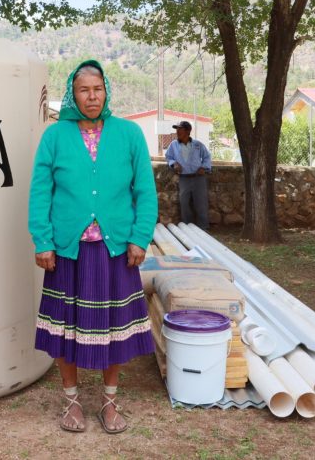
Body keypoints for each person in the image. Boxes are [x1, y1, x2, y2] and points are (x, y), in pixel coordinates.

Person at [29, 60, 157, 434]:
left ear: (106, 91)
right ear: (73, 93)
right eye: (84, 90)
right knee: (65, 329)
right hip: (68, 250)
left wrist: (139, 236)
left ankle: (110, 402)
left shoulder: (129, 134)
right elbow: (41, 192)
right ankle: (71, 402)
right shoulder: (55, 136)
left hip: (114, 249)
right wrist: (43, 240)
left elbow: (145, 192)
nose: (92, 96)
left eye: (97, 88)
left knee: (113, 328)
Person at [164, 120, 212, 229]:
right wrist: (174, 163)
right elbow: (168, 157)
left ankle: (203, 228)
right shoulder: (173, 145)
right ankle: (187, 228)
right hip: (184, 178)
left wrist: (204, 167)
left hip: (198, 178)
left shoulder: (198, 145)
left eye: (180, 129)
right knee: (184, 204)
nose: (177, 131)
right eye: (176, 129)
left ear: (188, 131)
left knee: (201, 203)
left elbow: (207, 157)